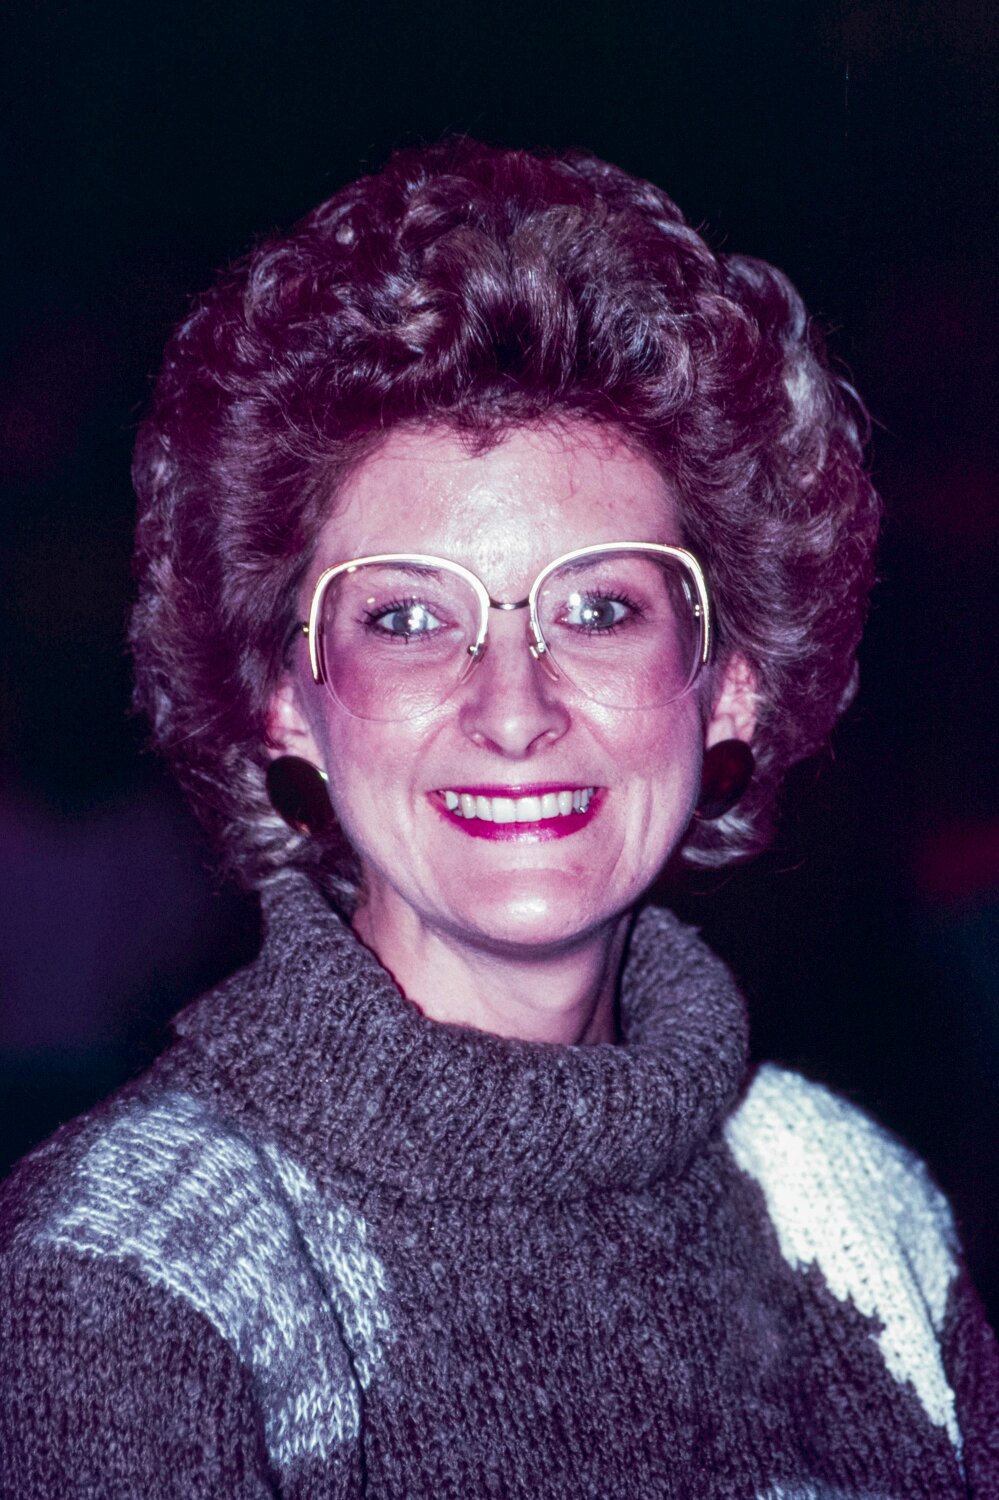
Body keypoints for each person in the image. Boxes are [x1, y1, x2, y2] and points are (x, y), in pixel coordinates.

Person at [0, 141, 995, 1499]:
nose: (513, 709)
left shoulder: (863, 1211)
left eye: (599, 608)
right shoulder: (128, 1283)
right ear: (285, 698)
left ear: (730, 683)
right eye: (409, 618)